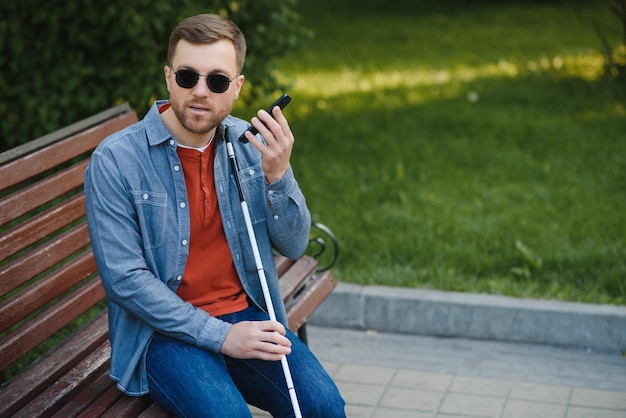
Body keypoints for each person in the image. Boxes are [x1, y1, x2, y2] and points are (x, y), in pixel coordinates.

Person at [84, 13, 345, 418]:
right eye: (188, 77)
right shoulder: (116, 160)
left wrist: (279, 175)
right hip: (163, 332)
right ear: (169, 78)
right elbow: (125, 280)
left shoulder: (247, 147)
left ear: (237, 87)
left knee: (323, 407)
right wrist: (222, 337)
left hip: (246, 314)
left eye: (217, 81)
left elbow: (294, 243)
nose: (201, 92)